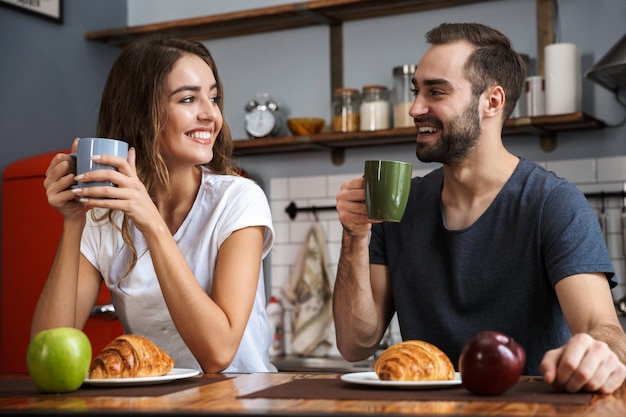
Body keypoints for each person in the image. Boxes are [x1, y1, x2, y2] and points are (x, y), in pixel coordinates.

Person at [333, 22, 626, 394]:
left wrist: (600, 354)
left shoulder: (552, 203)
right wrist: (355, 237)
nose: (414, 108)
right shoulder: (400, 204)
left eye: (436, 91)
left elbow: (601, 327)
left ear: (492, 101)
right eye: (416, 91)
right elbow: (354, 344)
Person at [32, 35, 276, 373]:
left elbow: (219, 354)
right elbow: (48, 355)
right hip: (152, 403)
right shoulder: (104, 219)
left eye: (214, 98)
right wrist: (74, 221)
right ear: (141, 113)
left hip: (239, 401)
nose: (211, 115)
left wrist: (151, 223)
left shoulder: (239, 200)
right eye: (189, 99)